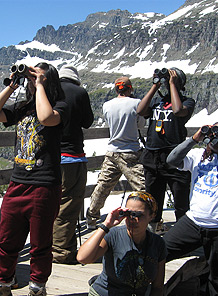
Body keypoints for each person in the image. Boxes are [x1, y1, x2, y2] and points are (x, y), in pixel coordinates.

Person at [0, 62, 68, 296]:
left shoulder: (61, 105)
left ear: (49, 80)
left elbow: (46, 117)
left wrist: (39, 84)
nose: (31, 81)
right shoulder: (21, 107)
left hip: (44, 184)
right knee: (6, 238)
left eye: (36, 77)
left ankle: (37, 288)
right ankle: (3, 284)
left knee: (40, 243)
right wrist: (12, 85)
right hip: (18, 182)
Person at [163, 122, 218, 296]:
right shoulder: (197, 155)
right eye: (213, 133)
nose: (215, 137)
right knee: (159, 251)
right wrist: (194, 139)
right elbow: (171, 160)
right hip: (194, 222)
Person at [137, 67, 195, 232]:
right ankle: (152, 233)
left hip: (174, 158)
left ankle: (184, 234)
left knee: (181, 202)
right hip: (152, 156)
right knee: (153, 201)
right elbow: (140, 110)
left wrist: (172, 84)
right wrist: (155, 85)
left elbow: (177, 111)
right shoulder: (157, 102)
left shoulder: (187, 102)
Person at [77, 191, 166, 296]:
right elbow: (83, 258)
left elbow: (158, 287)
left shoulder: (157, 243)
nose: (133, 219)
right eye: (128, 214)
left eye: (139, 215)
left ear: (152, 216)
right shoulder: (114, 235)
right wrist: (106, 225)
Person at [86, 76, 145, 230]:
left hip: (112, 152)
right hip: (131, 152)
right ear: (130, 88)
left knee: (103, 186)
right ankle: (149, 219)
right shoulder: (136, 103)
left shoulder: (107, 105)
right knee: (142, 188)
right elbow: (141, 124)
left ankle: (92, 218)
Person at [52, 65, 94, 264]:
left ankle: (50, 246)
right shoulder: (79, 92)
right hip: (72, 156)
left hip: (51, 156)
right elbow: (88, 122)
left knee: (51, 202)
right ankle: (60, 251)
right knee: (69, 203)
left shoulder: (50, 90)